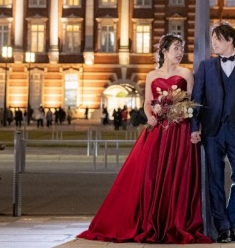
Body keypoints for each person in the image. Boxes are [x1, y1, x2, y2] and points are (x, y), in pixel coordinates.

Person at [79, 33, 209, 244]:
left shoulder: (186, 74)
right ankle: (150, 220)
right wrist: (150, 116)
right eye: (176, 48)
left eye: (181, 48)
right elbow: (148, 103)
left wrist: (189, 122)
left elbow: (193, 104)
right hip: (157, 131)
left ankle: (174, 222)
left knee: (178, 176)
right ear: (164, 51)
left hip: (180, 132)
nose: (180, 52)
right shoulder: (151, 76)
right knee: (149, 175)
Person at [190, 22, 235, 244]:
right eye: (212, 40)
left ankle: (230, 221)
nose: (214, 43)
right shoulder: (206, 66)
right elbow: (197, 99)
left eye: (217, 39)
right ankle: (223, 228)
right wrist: (194, 127)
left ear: (230, 40)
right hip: (212, 131)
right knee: (215, 180)